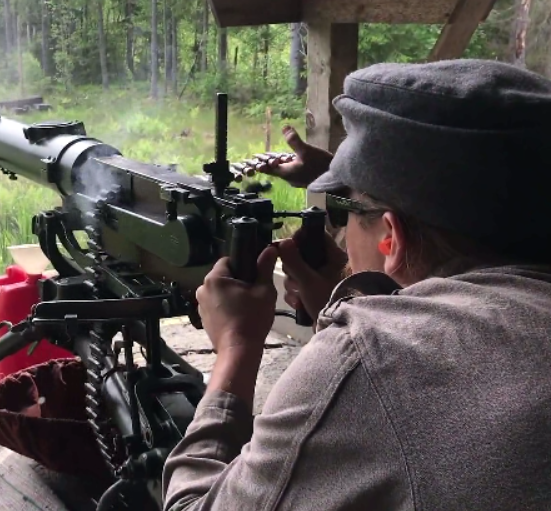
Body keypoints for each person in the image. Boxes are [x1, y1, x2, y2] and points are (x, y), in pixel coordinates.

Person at [161, 58, 551, 511]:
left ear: (392, 236)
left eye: (341, 214)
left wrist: (236, 348)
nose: (339, 235)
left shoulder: (371, 356)